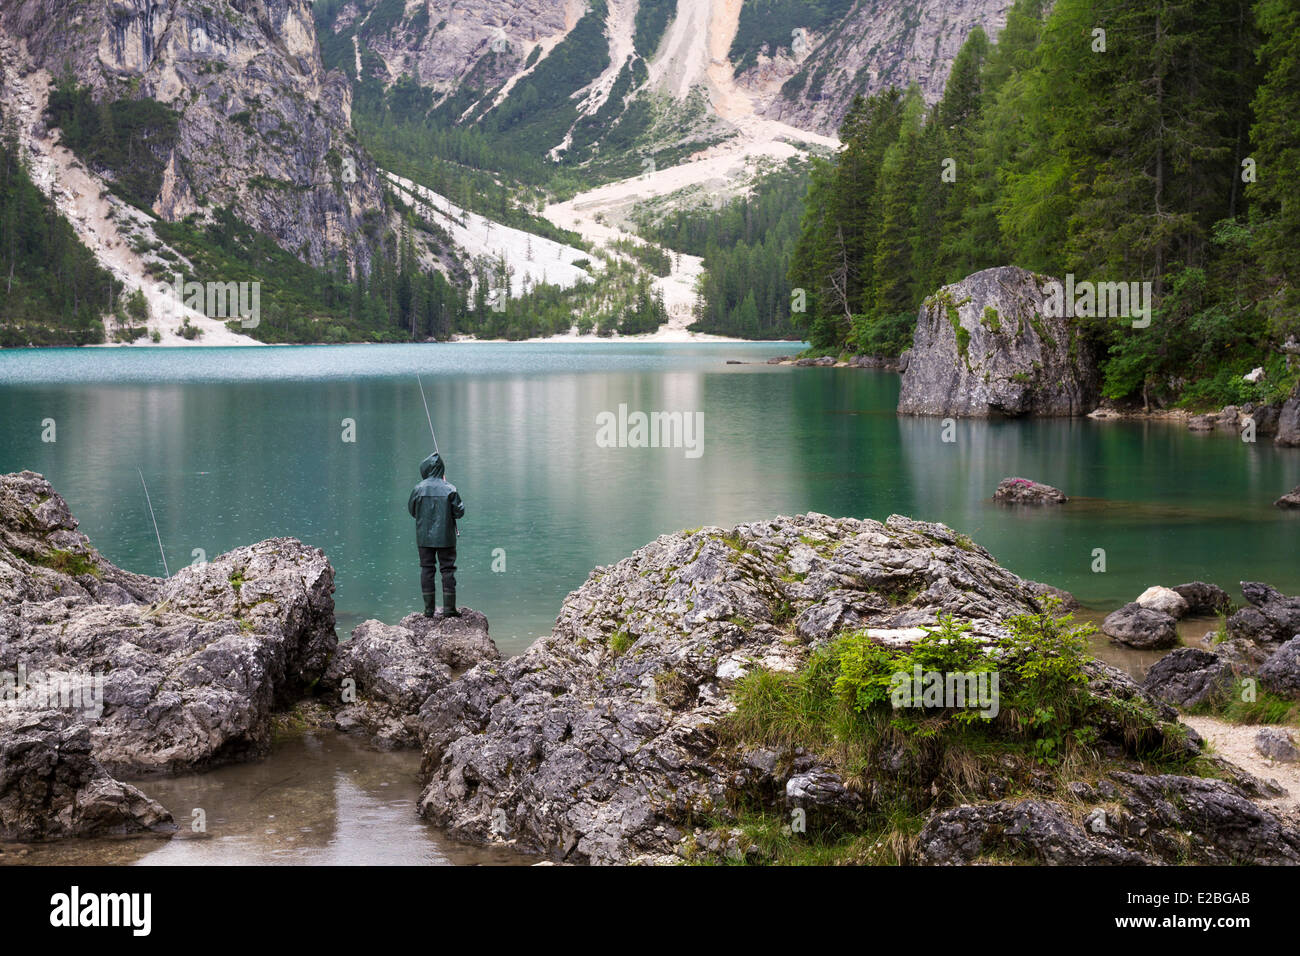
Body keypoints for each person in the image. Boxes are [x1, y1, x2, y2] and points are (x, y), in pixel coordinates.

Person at [407, 452, 465, 618]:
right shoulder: (450, 488)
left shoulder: (418, 488)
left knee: (427, 569)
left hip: (424, 538)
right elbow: (460, 512)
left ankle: (428, 610)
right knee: (447, 570)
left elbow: (412, 511)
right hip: (446, 538)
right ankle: (449, 610)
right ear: (441, 469)